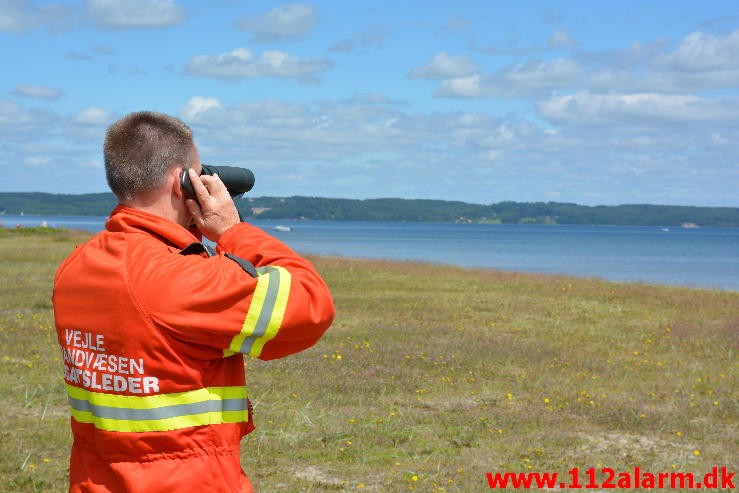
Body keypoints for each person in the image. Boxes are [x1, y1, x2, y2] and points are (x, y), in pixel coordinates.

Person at [52, 111, 335, 492]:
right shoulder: (178, 279)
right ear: (181, 182)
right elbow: (311, 304)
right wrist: (233, 232)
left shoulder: (76, 267)